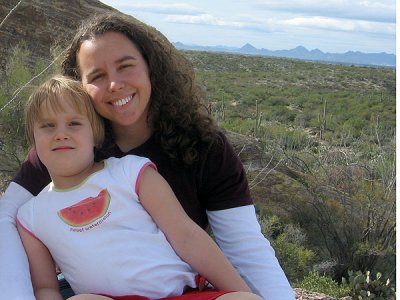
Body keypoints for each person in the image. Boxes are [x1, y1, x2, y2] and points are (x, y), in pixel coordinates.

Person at [0, 12, 294, 300]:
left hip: (180, 289)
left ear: (150, 67)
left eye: (126, 66)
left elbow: (245, 246)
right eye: (98, 76)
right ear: (80, 87)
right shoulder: (66, 147)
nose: (115, 85)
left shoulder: (203, 146)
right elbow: (6, 218)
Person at [17, 75, 262, 300]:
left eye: (74, 123)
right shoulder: (30, 216)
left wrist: (241, 291)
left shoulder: (132, 171)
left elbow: (186, 235)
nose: (61, 134)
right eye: (48, 126)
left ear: (96, 134)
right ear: (32, 137)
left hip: (182, 294)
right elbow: (45, 287)